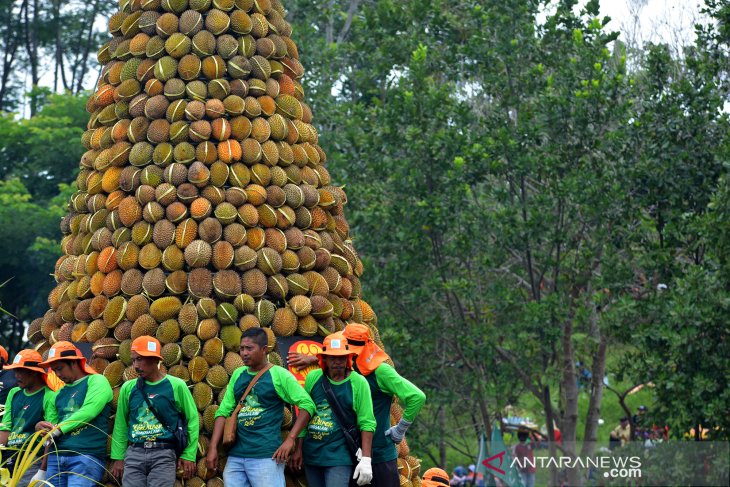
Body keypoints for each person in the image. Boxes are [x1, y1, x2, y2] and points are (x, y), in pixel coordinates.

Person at [207, 328, 316, 487]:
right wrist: (212, 448)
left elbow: (307, 405)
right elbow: (223, 412)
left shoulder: (279, 374)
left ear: (264, 350)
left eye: (249, 348)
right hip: (236, 456)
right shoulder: (238, 374)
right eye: (242, 348)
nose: (244, 353)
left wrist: (291, 439)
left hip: (266, 456)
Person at [341, 323, 426, 487]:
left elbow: (417, 397)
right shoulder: (346, 366)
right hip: (349, 453)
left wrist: (400, 429)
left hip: (379, 455)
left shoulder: (381, 370)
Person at [110, 336, 199, 486]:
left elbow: (192, 419)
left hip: (163, 453)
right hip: (134, 452)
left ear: (154, 360)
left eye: (140, 359)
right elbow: (120, 424)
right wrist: (118, 457)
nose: (135, 365)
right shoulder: (128, 388)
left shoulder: (176, 385)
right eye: (133, 360)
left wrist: (189, 454)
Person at [293, 333, 376, 487]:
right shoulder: (313, 378)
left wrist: (366, 459)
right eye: (332, 357)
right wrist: (299, 448)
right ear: (324, 359)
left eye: (341, 357)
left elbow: (367, 422)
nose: (337, 362)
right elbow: (305, 413)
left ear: (348, 359)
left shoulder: (358, 383)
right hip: (313, 453)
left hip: (339, 455)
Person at [36, 341, 113, 487]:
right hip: (56, 458)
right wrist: (41, 428)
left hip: (85, 456)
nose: (58, 374)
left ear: (74, 363)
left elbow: (89, 411)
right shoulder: (57, 395)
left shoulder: (97, 381)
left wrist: (58, 429)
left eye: (60, 368)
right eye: (54, 370)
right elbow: (50, 429)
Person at [0, 349, 58, 486]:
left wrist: (43, 470)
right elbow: (6, 426)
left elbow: (50, 436)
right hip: (10, 456)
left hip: (31, 458)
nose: (16, 376)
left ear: (34, 372)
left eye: (20, 371)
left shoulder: (49, 396)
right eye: (15, 371)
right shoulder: (14, 393)